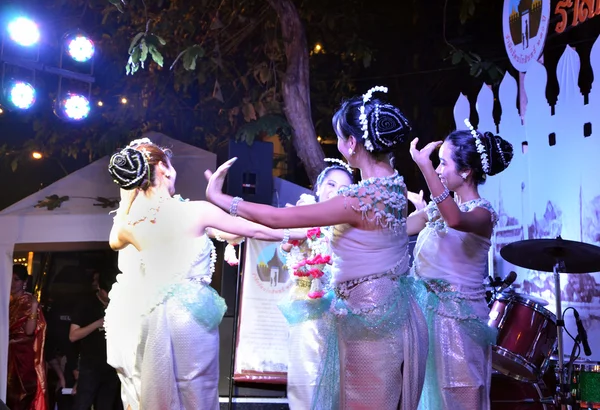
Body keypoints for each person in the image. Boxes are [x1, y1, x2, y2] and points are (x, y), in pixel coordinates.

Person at [205, 86, 429, 410]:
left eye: (339, 137)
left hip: (370, 318)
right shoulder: (393, 186)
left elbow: (277, 217)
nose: (338, 143)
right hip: (383, 311)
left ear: (352, 144)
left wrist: (223, 198)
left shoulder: (359, 200)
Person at [106, 138, 305, 410]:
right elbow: (254, 230)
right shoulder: (196, 211)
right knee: (197, 389)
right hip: (190, 314)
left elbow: (114, 241)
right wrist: (302, 231)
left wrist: (128, 196)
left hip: (152, 313)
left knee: (157, 392)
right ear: (164, 169)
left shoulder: (131, 223)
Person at [407, 119, 513, 409]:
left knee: (461, 394)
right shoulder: (436, 209)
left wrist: (425, 167)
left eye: (443, 164)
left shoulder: (483, 212)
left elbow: (455, 219)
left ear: (466, 171)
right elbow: (401, 229)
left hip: (460, 320)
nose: (439, 170)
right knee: (431, 398)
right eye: (437, 165)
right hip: (430, 315)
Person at [278, 159, 353, 409]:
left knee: (339, 385)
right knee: (307, 380)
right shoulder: (302, 216)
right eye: (331, 184)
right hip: (309, 312)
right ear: (318, 188)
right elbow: (285, 245)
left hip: (343, 315)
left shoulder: (351, 228)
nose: (335, 191)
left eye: (343, 188)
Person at [69, 271, 122, 410]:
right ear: (99, 287)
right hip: (90, 366)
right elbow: (73, 336)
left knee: (106, 405)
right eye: (107, 293)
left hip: (113, 367)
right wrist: (98, 323)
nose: (109, 297)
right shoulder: (86, 304)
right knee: (82, 404)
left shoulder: (119, 304)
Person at [7, 264, 48, 410]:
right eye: (10, 279)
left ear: (24, 282)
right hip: (5, 354)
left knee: (20, 396)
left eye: (16, 280)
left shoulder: (29, 301)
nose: (12, 283)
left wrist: (34, 307)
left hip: (22, 355)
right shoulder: (4, 299)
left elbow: (30, 331)